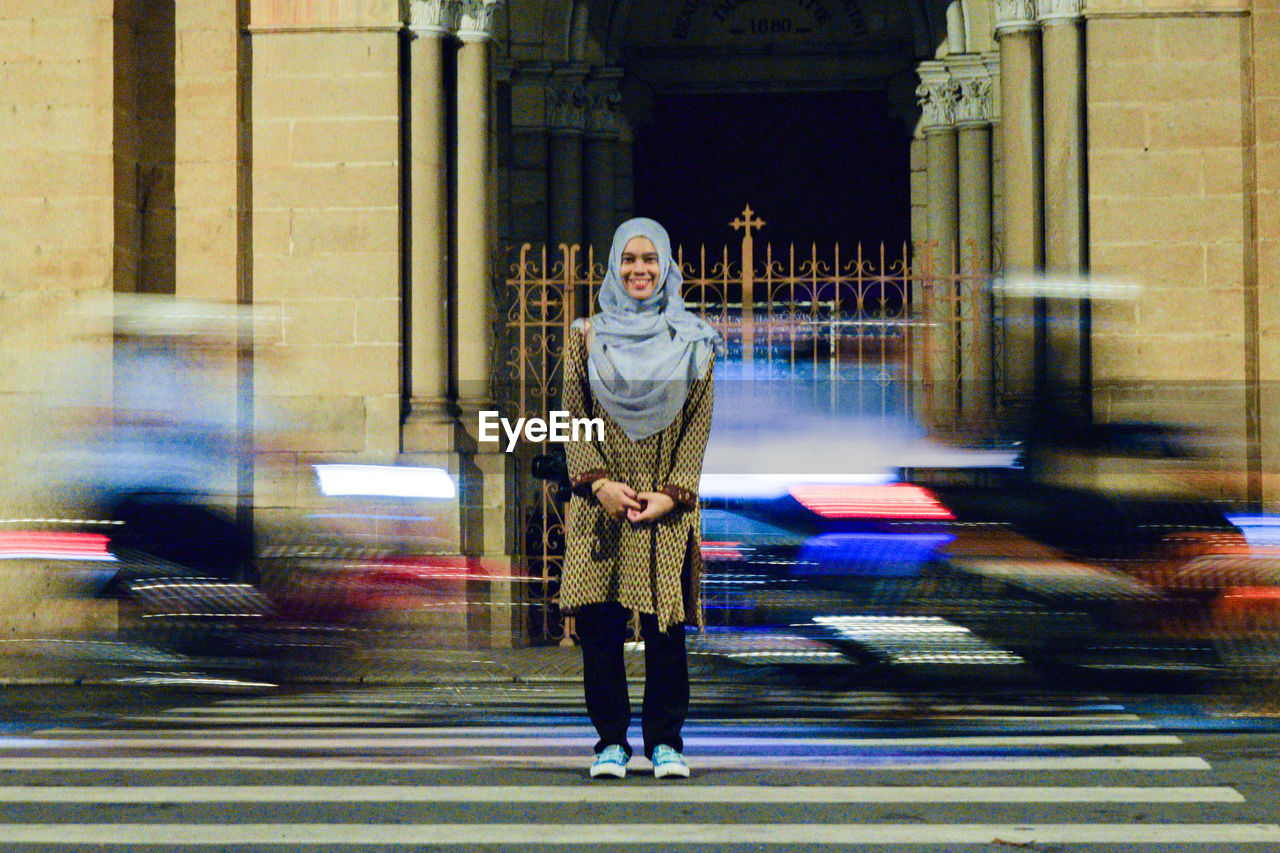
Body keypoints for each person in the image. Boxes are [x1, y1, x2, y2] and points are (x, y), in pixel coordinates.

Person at [561, 218, 721, 780]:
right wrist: (599, 483)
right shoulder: (585, 336)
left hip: (662, 500)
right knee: (600, 626)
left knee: (665, 624)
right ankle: (610, 741)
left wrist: (672, 495)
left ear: (666, 267)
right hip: (601, 500)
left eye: (649, 259)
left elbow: (697, 426)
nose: (638, 270)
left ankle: (665, 742)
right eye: (628, 259)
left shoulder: (696, 342)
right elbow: (573, 419)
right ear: (613, 265)